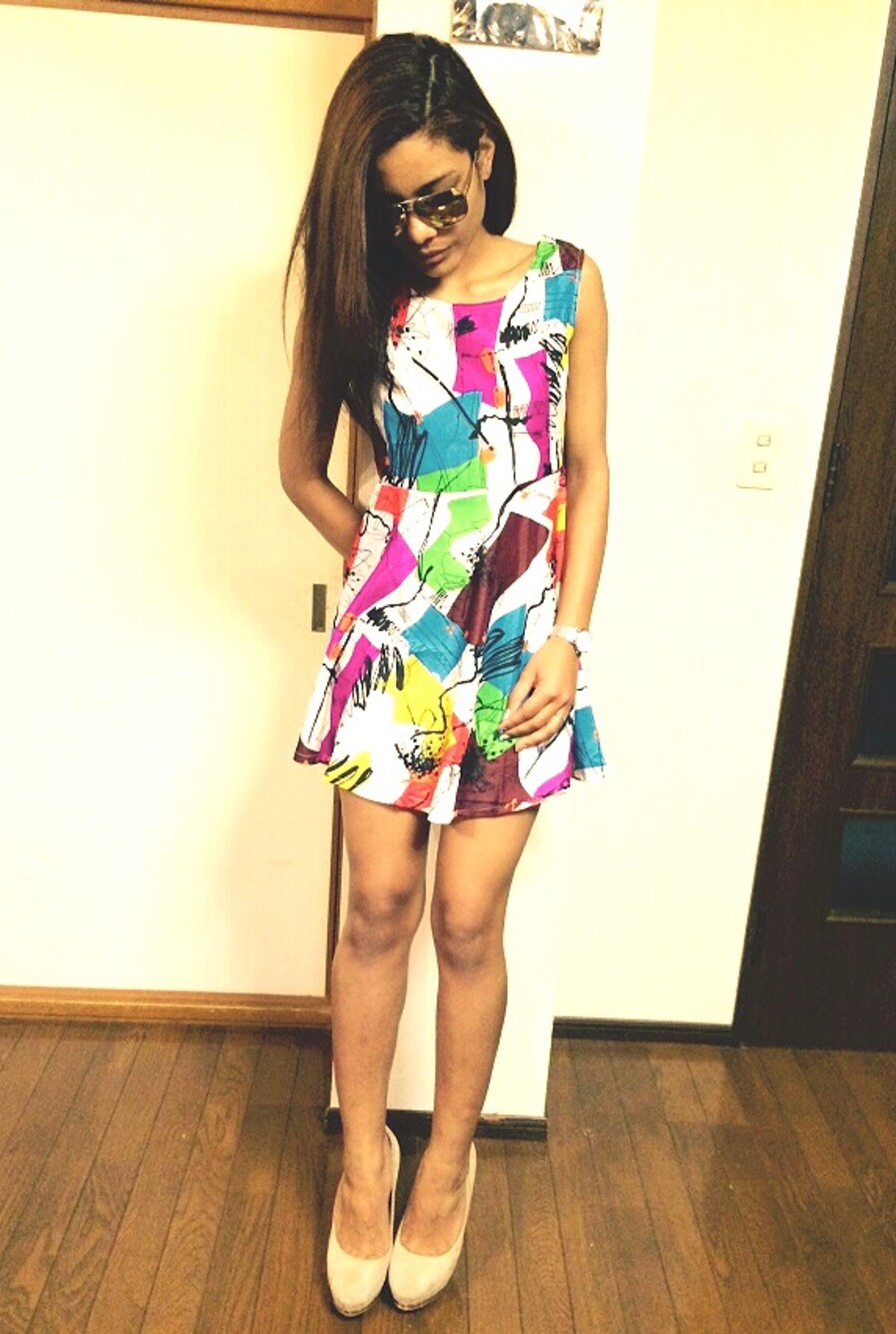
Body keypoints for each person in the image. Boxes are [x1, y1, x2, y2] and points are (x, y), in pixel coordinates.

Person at [279, 31, 608, 1316]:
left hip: (523, 645)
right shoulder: (361, 297)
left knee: (469, 918)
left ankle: (448, 1162)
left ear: (481, 153)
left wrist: (570, 638)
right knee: (377, 904)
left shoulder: (566, 283)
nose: (415, 229)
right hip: (396, 645)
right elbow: (301, 466)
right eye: (390, 207)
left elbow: (587, 471)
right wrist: (383, 560)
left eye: (438, 197)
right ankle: (364, 1160)